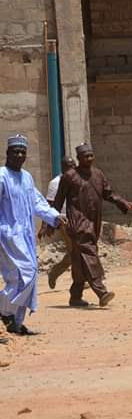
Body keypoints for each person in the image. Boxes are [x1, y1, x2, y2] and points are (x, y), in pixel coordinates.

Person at [53, 143, 132, 307]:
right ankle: (101, 291)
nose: (89, 159)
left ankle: (75, 295)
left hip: (94, 220)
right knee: (89, 252)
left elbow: (108, 193)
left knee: (79, 257)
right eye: (85, 156)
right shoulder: (69, 176)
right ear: (79, 158)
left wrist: (122, 203)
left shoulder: (98, 174)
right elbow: (58, 200)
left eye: (91, 155)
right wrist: (50, 221)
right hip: (77, 221)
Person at [0, 135, 66, 335]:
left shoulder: (27, 177)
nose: (19, 155)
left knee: (27, 277)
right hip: (8, 235)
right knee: (22, 275)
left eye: (22, 152)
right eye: (15, 152)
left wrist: (55, 216)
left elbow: (37, 202)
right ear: (7, 153)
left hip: (25, 236)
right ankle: (3, 311)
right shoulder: (1, 176)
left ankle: (14, 323)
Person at [43, 156, 76, 289]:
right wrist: (46, 224)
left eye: (74, 165)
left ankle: (55, 272)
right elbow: (49, 205)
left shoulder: (78, 179)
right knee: (75, 250)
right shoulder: (55, 182)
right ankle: (80, 279)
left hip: (79, 219)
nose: (72, 168)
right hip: (64, 220)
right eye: (69, 166)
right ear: (63, 168)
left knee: (76, 251)